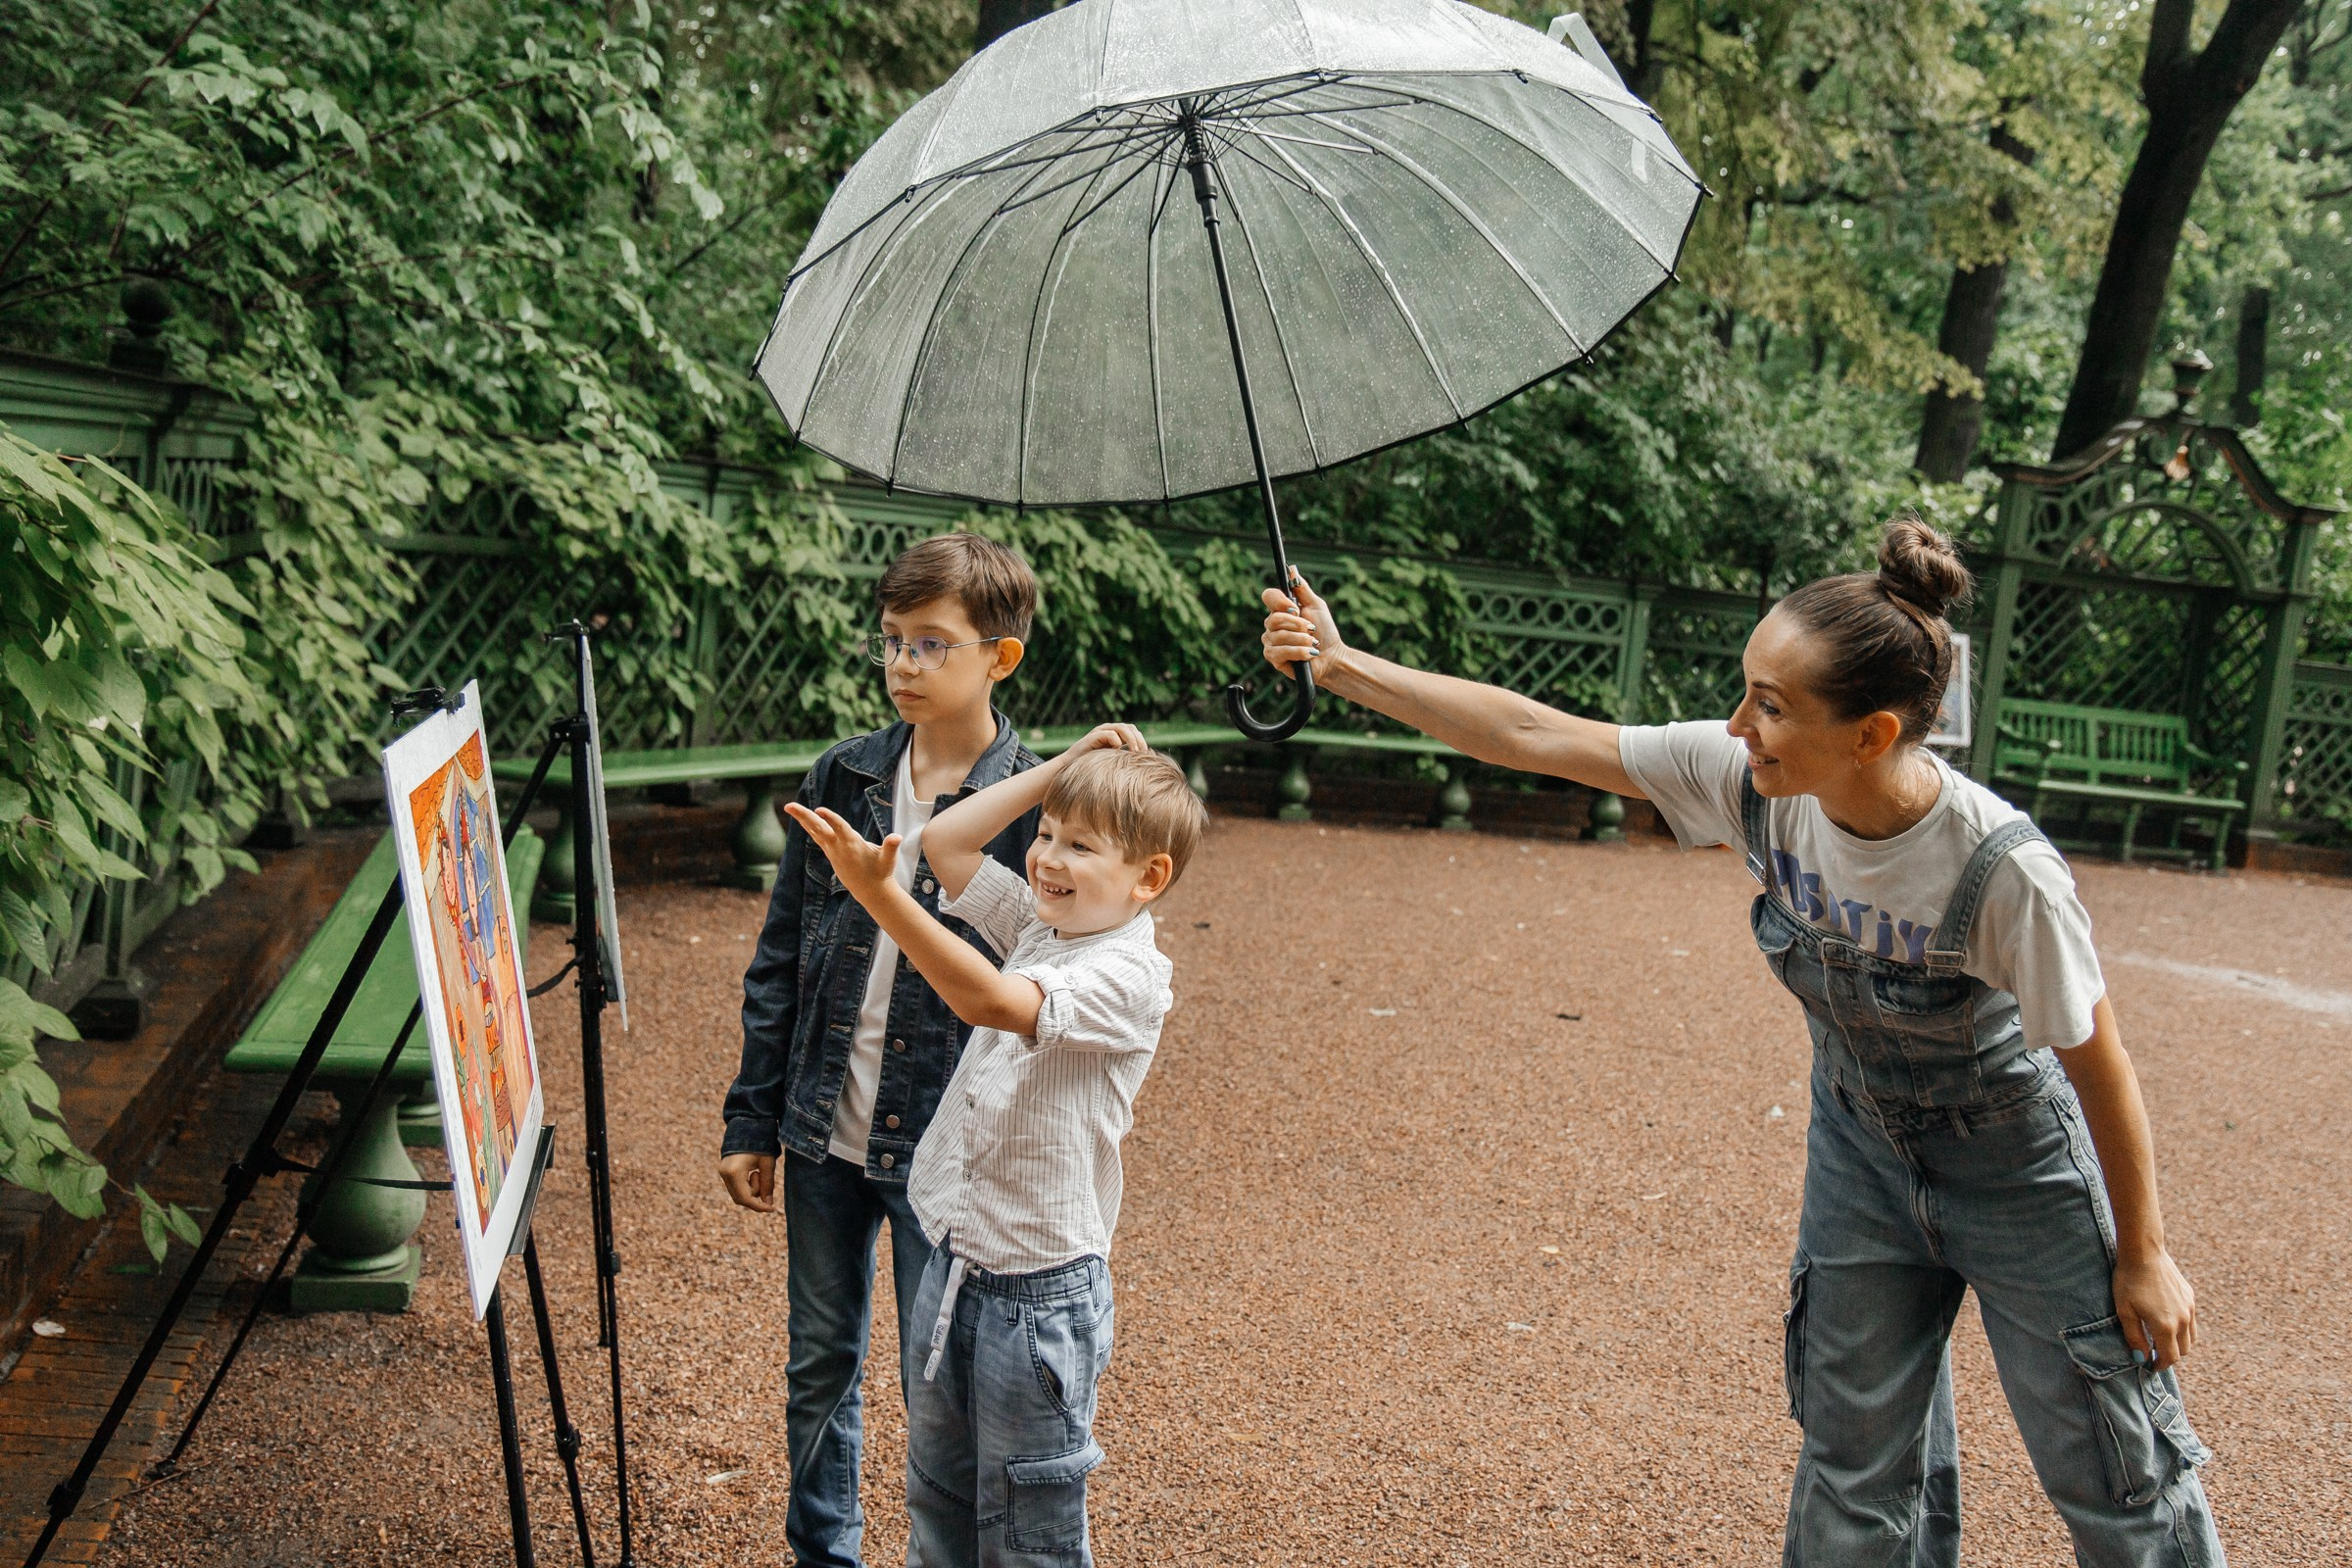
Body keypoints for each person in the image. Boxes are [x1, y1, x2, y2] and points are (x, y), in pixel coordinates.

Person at [1258, 517, 2224, 1567]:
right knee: (1855, 1468)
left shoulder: (2000, 869)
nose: (1736, 723)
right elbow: (1536, 734)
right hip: (1860, 1152)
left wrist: (2145, 1253)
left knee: (2116, 1468)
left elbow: (2099, 1066)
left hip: (2019, 1174)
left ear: (1872, 733)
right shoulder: (1751, 785)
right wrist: (1342, 666)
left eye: (1770, 705)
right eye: (1746, 691)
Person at [785, 725, 1205, 1568]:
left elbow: (986, 1001)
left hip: (1040, 1298)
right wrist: (1067, 768)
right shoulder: (1045, 926)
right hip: (957, 1262)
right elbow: (944, 840)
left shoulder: (1127, 975)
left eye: (1079, 845)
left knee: (1027, 1536)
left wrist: (879, 896)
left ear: (1148, 878)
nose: (1047, 856)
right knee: (938, 1504)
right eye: (1046, 832)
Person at [720, 531, 1044, 1568]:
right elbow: (779, 959)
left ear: (1000, 656)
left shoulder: (1031, 804)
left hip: (942, 1156)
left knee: (933, 1387)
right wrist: (752, 1118)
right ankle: (823, 1555)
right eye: (893, 641)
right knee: (820, 1365)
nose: (904, 665)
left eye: (932, 645)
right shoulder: (845, 772)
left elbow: (1033, 998)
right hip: (822, 1134)